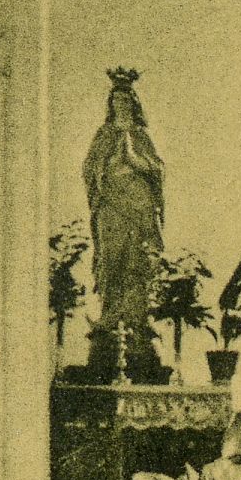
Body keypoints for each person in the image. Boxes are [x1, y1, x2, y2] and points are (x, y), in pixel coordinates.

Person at [83, 68, 167, 381]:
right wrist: (105, 166)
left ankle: (136, 323)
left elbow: (157, 169)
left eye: (125, 100)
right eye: (116, 100)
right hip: (112, 206)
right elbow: (90, 168)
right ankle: (110, 320)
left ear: (133, 103)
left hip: (139, 204)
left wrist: (134, 159)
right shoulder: (104, 135)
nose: (120, 105)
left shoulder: (141, 135)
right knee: (111, 261)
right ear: (111, 103)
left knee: (137, 262)